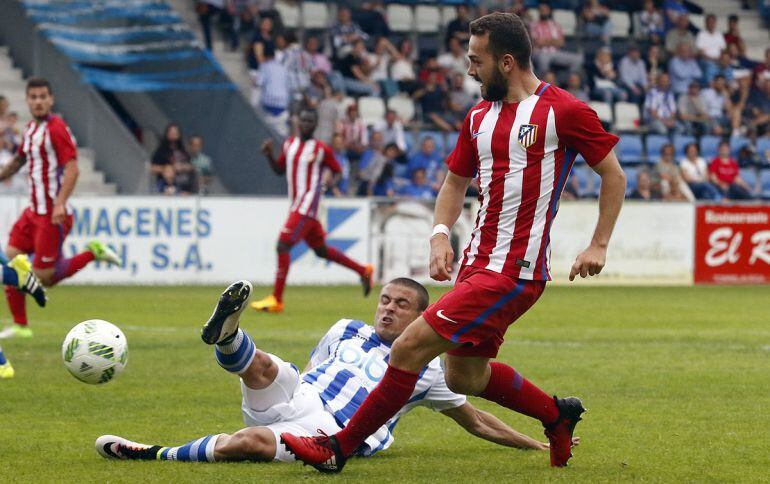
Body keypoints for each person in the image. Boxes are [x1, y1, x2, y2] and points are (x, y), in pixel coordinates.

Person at [281, 12, 625, 472]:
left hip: (513, 271)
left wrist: (598, 244)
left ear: (506, 62)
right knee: (463, 375)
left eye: (475, 60)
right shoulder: (478, 116)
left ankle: (337, 448)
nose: (468, 70)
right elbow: (453, 182)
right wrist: (440, 235)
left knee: (405, 349)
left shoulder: (563, 111)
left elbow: (613, 175)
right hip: (477, 265)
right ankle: (556, 415)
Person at [95, 280, 573, 463]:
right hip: (302, 396)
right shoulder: (345, 328)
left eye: (401, 305)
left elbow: (476, 419)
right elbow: (310, 369)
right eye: (384, 300)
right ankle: (227, 336)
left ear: (419, 318)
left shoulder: (426, 367)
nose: (387, 309)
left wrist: (533, 441)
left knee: (251, 443)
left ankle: (155, 454)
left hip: (332, 430)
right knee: (264, 368)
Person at [0, 78, 120, 339]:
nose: (38, 101)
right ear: (28, 100)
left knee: (44, 278)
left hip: (52, 215)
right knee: (10, 264)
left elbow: (73, 168)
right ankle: (20, 326)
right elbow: (20, 159)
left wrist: (60, 203)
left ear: (51, 99)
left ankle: (92, 253)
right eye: (33, 97)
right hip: (32, 212)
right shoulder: (30, 129)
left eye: (43, 96)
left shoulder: (57, 129)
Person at [252, 109, 373, 314]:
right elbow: (280, 170)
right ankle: (363, 270)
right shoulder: (289, 144)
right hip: (296, 204)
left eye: (311, 120)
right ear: (298, 121)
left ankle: (276, 299)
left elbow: (337, 170)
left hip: (307, 205)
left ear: (315, 124)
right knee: (321, 250)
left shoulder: (320, 149)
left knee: (283, 245)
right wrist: (269, 155)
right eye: (304, 119)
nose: (307, 123)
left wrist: (327, 182)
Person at [530, 4, 582, 75]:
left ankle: (568, 80)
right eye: (542, 10)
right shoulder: (534, 25)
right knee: (544, 59)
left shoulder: (555, 25)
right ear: (539, 12)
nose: (544, 12)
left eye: (546, 10)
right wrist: (554, 41)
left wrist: (545, 41)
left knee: (578, 59)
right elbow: (538, 42)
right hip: (540, 52)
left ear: (549, 11)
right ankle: (545, 83)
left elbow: (561, 43)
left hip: (555, 52)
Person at [258, 45, 290, 136]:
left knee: (266, 133)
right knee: (282, 133)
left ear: (265, 56)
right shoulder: (283, 68)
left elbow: (259, 83)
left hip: (268, 104)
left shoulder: (264, 66)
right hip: (283, 104)